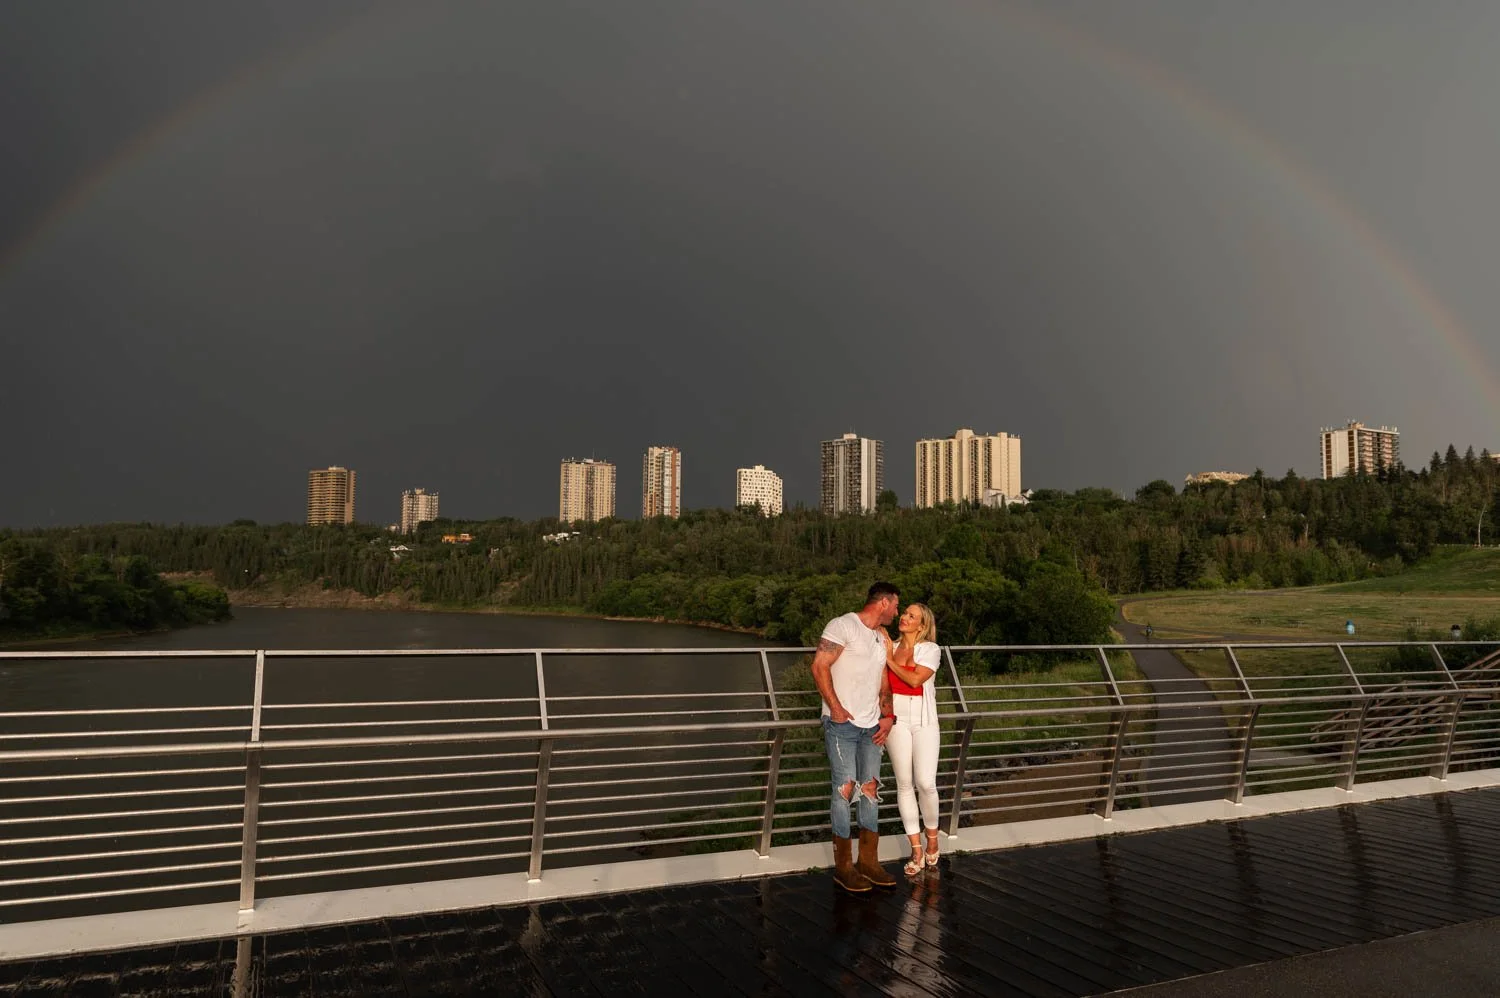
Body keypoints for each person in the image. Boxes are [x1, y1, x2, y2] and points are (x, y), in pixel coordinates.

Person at [810, 581, 900, 893]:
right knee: (844, 790)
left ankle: (869, 862)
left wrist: (888, 716)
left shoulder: (881, 637)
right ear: (884, 603)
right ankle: (844, 868)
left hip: (872, 726)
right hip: (843, 726)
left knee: (870, 790)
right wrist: (834, 707)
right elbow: (819, 666)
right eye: (896, 606)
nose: (897, 611)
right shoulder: (842, 625)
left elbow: (883, 680)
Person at [882, 602, 943, 875]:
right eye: (904, 613)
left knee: (925, 783)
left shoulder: (930, 649)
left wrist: (889, 660)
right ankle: (916, 849)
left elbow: (916, 680)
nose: (904, 618)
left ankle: (933, 838)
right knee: (904, 784)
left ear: (922, 625)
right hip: (897, 721)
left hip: (925, 722)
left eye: (911, 616)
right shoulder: (891, 646)